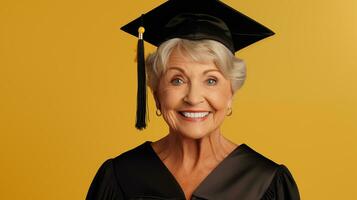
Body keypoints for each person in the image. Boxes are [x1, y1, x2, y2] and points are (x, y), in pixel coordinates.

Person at [86, 0, 300, 199]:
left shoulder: (265, 182)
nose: (193, 97)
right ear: (156, 95)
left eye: (211, 80)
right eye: (177, 80)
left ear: (231, 94)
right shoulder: (120, 178)